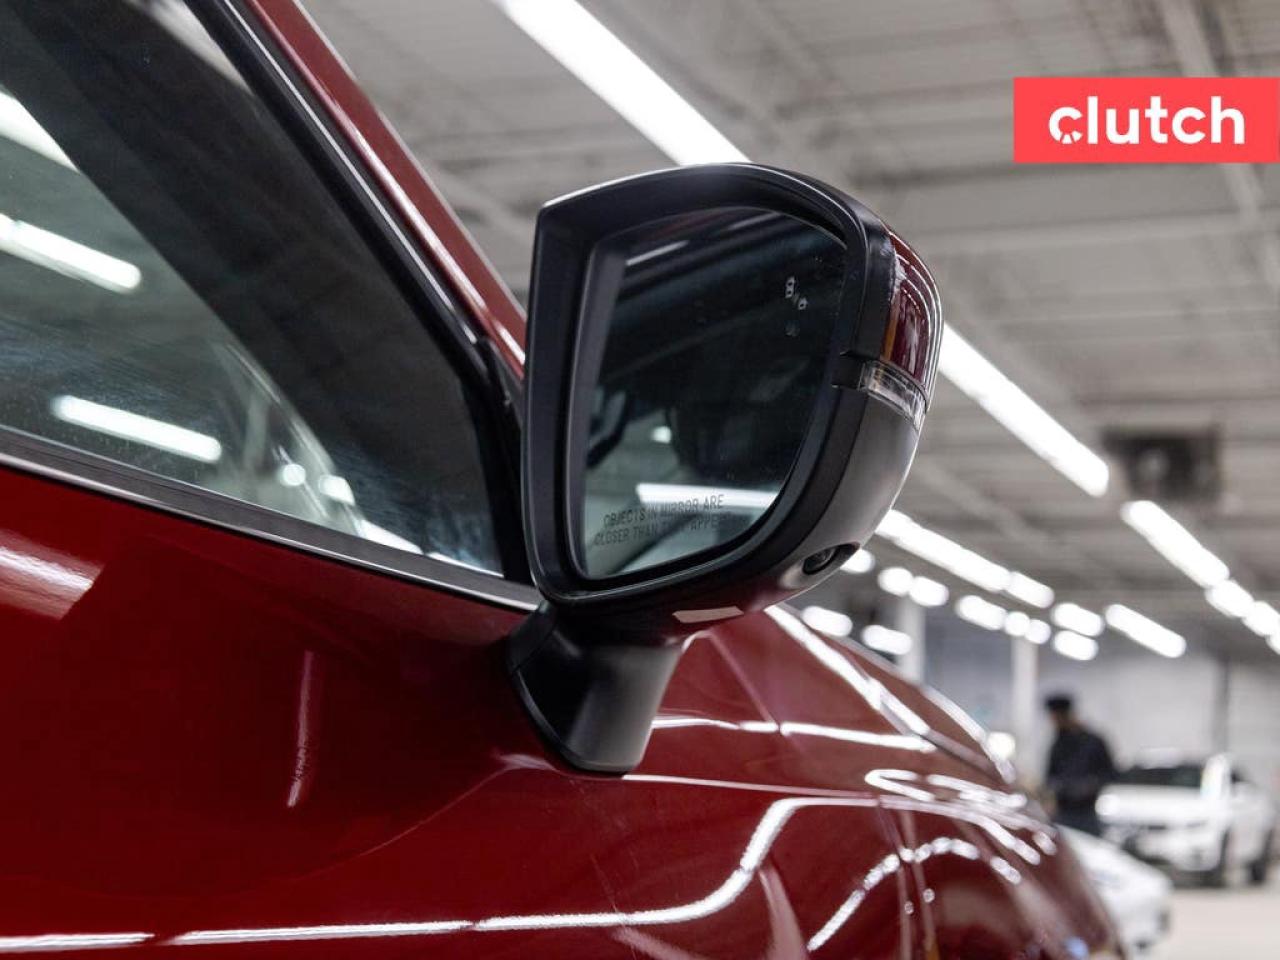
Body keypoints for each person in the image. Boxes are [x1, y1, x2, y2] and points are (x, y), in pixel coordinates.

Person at [1043, 694, 1115, 836]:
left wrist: (1091, 785)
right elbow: (1050, 776)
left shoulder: (1094, 742)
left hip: (1088, 812)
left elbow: (1110, 773)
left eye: (1057, 718)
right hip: (1064, 812)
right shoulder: (1058, 745)